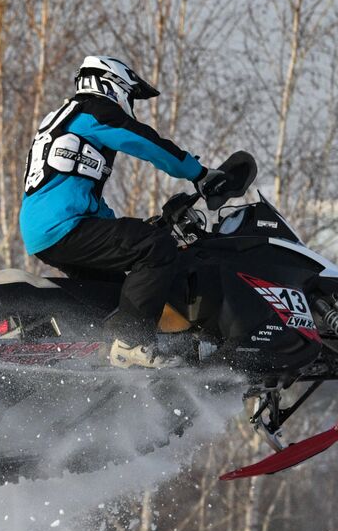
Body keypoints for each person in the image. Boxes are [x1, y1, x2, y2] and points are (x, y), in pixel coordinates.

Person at [20, 54, 237, 367]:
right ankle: (130, 341)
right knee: (156, 247)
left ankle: (95, 352)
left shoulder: (66, 119)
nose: (130, 105)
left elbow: (81, 192)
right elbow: (144, 141)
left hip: (47, 228)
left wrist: (122, 227)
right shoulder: (94, 109)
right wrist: (199, 173)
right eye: (131, 96)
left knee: (116, 291)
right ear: (112, 84)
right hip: (63, 225)